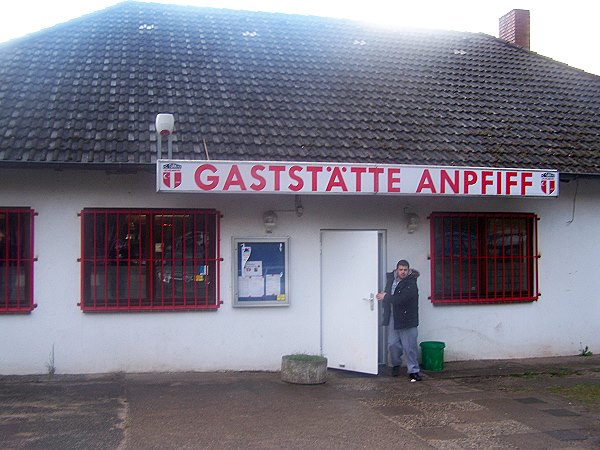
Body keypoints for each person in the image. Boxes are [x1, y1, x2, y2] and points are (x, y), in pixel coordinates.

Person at [376, 259, 422, 382]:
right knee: (392, 344)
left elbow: (401, 299)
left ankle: (413, 371)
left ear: (408, 270)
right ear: (396, 270)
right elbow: (388, 294)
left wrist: (385, 296)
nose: (403, 272)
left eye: (405, 270)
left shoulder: (411, 283)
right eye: (400, 269)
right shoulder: (391, 279)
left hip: (408, 318)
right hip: (393, 317)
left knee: (410, 347)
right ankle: (396, 364)